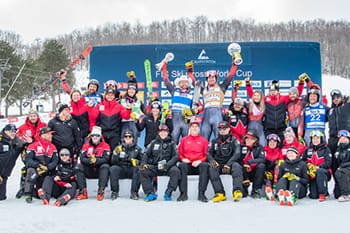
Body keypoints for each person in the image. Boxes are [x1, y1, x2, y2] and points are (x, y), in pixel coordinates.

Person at [249, 78, 304, 144]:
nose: (273, 92)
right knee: (270, 147)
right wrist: (248, 85)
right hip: (269, 129)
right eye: (271, 90)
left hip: (281, 128)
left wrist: (301, 83)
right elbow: (253, 96)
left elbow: (296, 94)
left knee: (282, 146)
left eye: (274, 90)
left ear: (278, 91)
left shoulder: (284, 99)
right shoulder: (265, 99)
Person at [198, 61, 239, 140]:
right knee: (203, 138)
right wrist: (189, 72)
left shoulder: (222, 87)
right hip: (206, 114)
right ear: (207, 79)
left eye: (213, 77)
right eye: (209, 78)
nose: (211, 79)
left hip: (217, 114)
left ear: (216, 78)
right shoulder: (203, 90)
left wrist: (235, 64)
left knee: (220, 138)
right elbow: (194, 83)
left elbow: (230, 76)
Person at [139, 125, 180, 201]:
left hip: (167, 167)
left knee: (176, 171)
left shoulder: (172, 143)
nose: (163, 134)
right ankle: (150, 193)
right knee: (142, 170)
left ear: (168, 133)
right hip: (155, 166)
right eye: (161, 132)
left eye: (165, 132)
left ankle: (168, 192)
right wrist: (143, 163)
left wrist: (167, 165)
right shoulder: (153, 142)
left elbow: (176, 156)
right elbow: (146, 154)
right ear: (158, 133)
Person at [161, 62, 197, 144]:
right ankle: (174, 156)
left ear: (188, 84)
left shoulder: (192, 94)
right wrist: (164, 66)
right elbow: (166, 80)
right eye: (182, 82)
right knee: (173, 140)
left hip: (185, 119)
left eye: (186, 82)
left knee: (187, 141)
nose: (184, 84)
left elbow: (198, 108)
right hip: (175, 118)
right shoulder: (174, 91)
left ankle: (187, 156)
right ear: (178, 83)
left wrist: (192, 112)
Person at [207, 121, 243, 202]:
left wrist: (228, 164)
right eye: (220, 129)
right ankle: (220, 193)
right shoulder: (214, 141)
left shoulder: (234, 140)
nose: (222, 130)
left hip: (230, 163)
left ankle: (237, 191)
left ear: (229, 129)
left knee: (237, 167)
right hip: (219, 163)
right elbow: (208, 153)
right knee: (212, 168)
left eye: (224, 128)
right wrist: (212, 160)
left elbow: (237, 154)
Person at [15, 109, 46, 198]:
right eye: (31, 116)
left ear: (37, 116)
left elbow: (47, 136)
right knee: (28, 167)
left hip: (41, 150)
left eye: (34, 116)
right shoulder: (22, 127)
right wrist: (25, 142)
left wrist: (33, 140)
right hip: (27, 151)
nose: (33, 118)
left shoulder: (43, 125)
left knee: (40, 167)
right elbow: (17, 139)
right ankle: (23, 187)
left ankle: (38, 187)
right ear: (28, 117)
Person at [177, 118, 210, 202]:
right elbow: (179, 153)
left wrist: (200, 160)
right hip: (187, 164)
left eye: (196, 127)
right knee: (181, 166)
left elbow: (207, 155)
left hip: (199, 164)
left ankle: (201, 194)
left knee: (205, 165)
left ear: (199, 129)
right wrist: (183, 159)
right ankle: (183, 194)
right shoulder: (184, 140)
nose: (194, 128)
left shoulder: (204, 141)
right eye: (193, 127)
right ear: (189, 129)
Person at [23, 127, 58, 203]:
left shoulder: (53, 147)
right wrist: (38, 165)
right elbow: (28, 160)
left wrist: (47, 167)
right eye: (50, 134)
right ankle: (27, 193)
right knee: (31, 171)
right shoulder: (33, 145)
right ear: (43, 135)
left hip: (47, 171)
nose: (51, 136)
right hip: (36, 170)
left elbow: (55, 161)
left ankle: (41, 193)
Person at [75, 126, 110, 201]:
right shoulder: (86, 145)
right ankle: (83, 192)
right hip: (89, 168)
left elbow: (106, 159)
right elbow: (82, 158)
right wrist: (90, 161)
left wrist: (96, 160)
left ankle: (101, 190)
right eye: (93, 135)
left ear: (100, 136)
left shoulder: (105, 146)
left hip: (99, 170)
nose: (95, 137)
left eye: (97, 135)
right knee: (78, 167)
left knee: (105, 166)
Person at [110, 129, 143, 200]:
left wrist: (137, 162)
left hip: (131, 169)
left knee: (138, 169)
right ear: (123, 138)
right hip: (121, 168)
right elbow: (113, 162)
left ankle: (134, 193)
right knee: (113, 168)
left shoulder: (138, 149)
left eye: (130, 136)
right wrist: (115, 155)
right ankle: (114, 192)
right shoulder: (118, 148)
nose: (128, 138)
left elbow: (143, 161)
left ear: (133, 138)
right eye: (126, 136)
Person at [0, 124, 30, 201]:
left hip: (4, 174)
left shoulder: (16, 142)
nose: (13, 133)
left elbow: (25, 147)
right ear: (5, 131)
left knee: (1, 197)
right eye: (10, 131)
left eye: (14, 131)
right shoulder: (1, 141)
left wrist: (29, 142)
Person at [301, 130, 332, 201]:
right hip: (312, 173)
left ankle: (323, 193)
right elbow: (303, 161)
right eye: (313, 138)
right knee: (313, 196)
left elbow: (328, 162)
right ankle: (314, 191)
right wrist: (308, 165)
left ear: (321, 139)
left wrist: (318, 167)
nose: (315, 140)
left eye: (317, 138)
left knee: (319, 171)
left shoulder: (326, 149)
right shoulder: (308, 149)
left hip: (324, 172)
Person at [240, 129, 266, 198]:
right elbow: (237, 159)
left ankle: (256, 190)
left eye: (251, 139)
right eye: (247, 138)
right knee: (238, 166)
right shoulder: (241, 147)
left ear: (255, 140)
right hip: (244, 171)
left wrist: (250, 162)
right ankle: (243, 189)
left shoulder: (259, 147)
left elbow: (262, 159)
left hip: (254, 172)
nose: (248, 140)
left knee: (261, 166)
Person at [120, 74, 146, 139]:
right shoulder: (122, 99)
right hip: (124, 123)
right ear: (127, 90)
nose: (131, 91)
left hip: (134, 123)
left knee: (134, 140)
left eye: (133, 89)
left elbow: (145, 111)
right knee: (124, 140)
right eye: (129, 89)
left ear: (135, 91)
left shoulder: (138, 100)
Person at [244, 78, 266, 146]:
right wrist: (248, 84)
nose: (256, 97)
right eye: (255, 96)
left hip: (260, 126)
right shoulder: (249, 105)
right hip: (251, 125)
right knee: (249, 143)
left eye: (258, 96)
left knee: (262, 142)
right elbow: (250, 93)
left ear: (261, 97)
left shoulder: (264, 106)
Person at [334, 129, 350, 202]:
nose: (342, 139)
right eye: (341, 138)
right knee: (336, 194)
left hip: (346, 168)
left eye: (344, 138)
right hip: (342, 168)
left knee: (341, 172)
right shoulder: (338, 149)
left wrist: (343, 166)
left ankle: (346, 194)